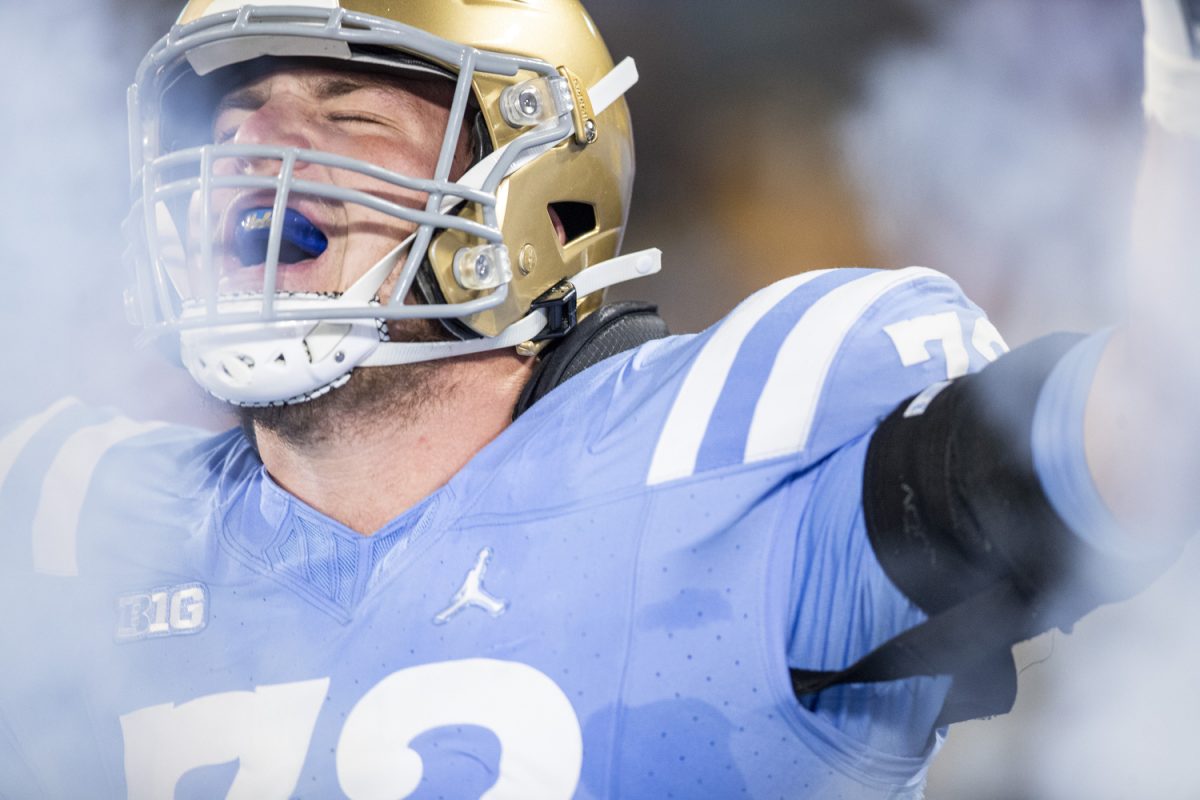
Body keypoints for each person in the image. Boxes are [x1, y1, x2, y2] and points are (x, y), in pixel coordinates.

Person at [0, 0, 1195, 796]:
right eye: (225, 122)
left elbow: (1151, 430)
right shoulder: (81, 522)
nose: (251, 150)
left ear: (534, 195)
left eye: (342, 115)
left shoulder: (732, 453)